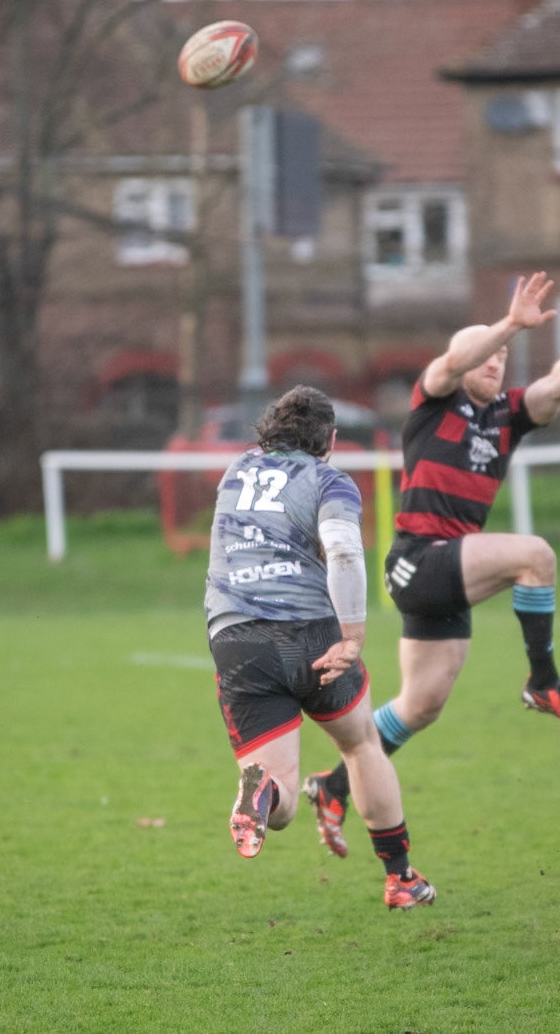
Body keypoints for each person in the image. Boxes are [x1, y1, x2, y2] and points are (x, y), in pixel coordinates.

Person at [303, 273, 560, 859]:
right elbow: (455, 358)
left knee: (421, 705)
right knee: (536, 555)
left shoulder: (508, 416)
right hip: (418, 561)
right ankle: (543, 681)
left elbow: (554, 390)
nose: (496, 360)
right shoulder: (434, 399)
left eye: (504, 355)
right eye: (488, 351)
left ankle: (330, 788)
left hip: (450, 576)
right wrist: (506, 324)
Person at [205, 384, 435, 911]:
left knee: (281, 805)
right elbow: (345, 554)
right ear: (330, 439)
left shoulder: (235, 470)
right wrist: (352, 636)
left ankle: (261, 793)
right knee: (360, 745)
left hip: (238, 639)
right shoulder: (329, 479)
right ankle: (400, 878)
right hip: (311, 634)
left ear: (269, 431)